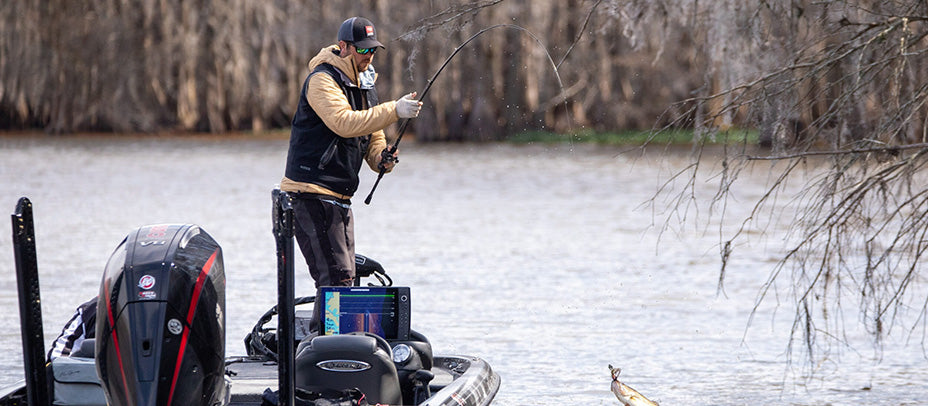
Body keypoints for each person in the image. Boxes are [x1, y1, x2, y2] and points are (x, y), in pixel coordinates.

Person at [281, 16, 422, 288]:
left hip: (340, 199)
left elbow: (372, 137)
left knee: (345, 279)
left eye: (372, 50)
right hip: (311, 194)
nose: (368, 56)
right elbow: (344, 123)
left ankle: (336, 330)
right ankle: (325, 331)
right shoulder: (322, 80)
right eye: (363, 49)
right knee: (336, 280)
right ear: (343, 47)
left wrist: (382, 158)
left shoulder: (365, 85)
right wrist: (394, 110)